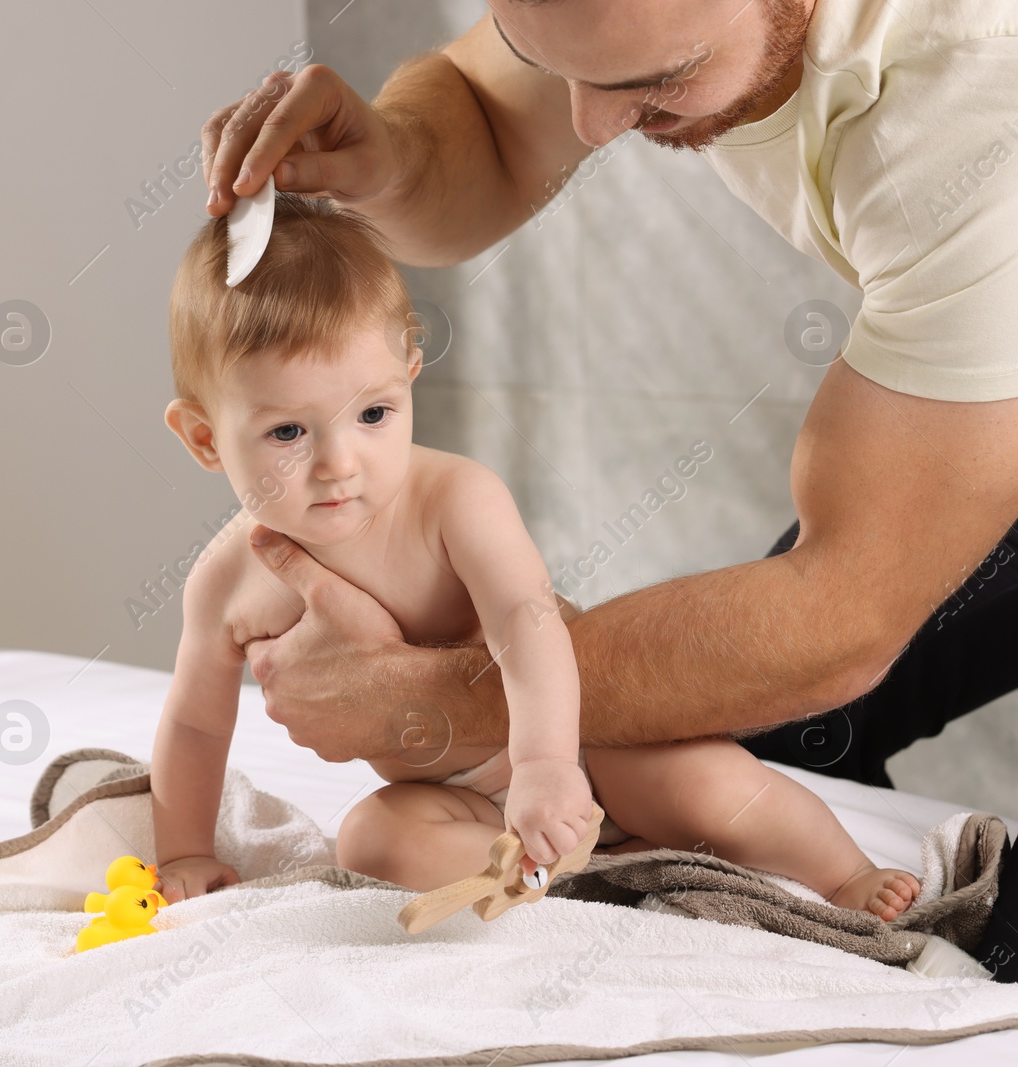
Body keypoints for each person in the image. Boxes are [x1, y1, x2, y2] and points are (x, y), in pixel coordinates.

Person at [199, 0, 1018, 977]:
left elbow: (838, 612)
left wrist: (453, 697)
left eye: (649, 82)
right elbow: (490, 116)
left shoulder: (970, 115)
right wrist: (391, 157)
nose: (587, 125)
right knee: (773, 742)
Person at [149, 191, 921, 924]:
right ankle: (592, 879)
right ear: (205, 438)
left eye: (374, 413)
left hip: (586, 742)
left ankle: (841, 872)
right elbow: (193, 724)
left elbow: (529, 619)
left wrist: (549, 765)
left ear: (410, 377)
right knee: (373, 841)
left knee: (714, 787)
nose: (340, 463)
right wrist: (183, 850)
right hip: (457, 796)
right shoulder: (227, 581)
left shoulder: (454, 499)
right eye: (289, 433)